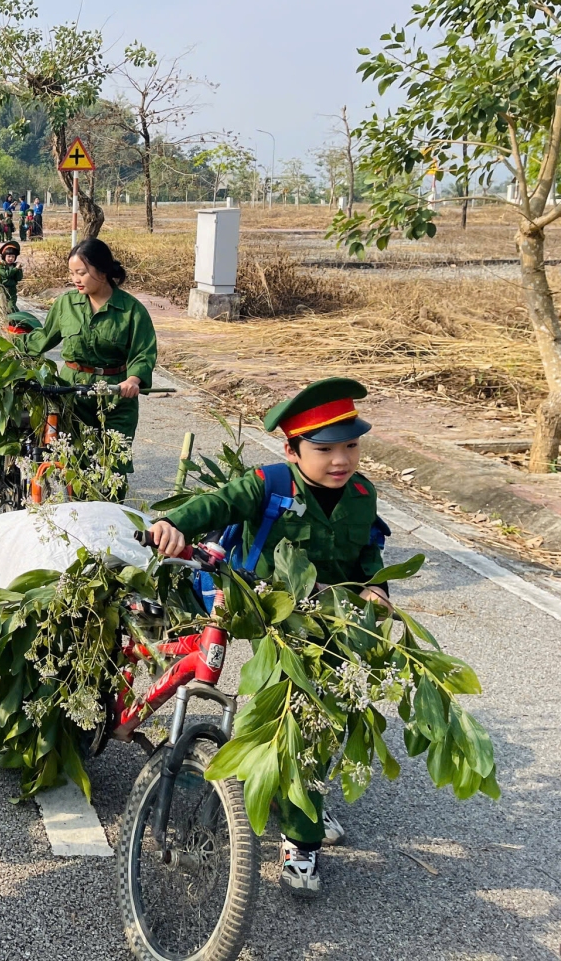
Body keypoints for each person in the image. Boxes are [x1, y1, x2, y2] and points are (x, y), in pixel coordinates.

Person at [147, 378, 388, 898]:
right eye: (324, 449)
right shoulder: (271, 483)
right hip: (264, 611)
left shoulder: (363, 496)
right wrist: (172, 524)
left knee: (328, 717)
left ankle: (294, 797)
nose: (341, 460)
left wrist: (377, 590)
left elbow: (369, 555)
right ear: (293, 449)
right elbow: (217, 504)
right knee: (302, 716)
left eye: (351, 446)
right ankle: (301, 841)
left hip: (332, 621)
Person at [18, 238, 157, 478]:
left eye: (81, 272)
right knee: (75, 464)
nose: (75, 279)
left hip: (115, 397)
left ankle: (111, 512)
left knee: (113, 468)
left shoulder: (131, 310)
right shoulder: (66, 304)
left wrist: (133, 381)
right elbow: (42, 338)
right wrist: (9, 342)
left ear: (101, 271)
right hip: (74, 396)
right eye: (72, 273)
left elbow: (143, 352)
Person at [0, 240, 24, 326]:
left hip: (12, 291)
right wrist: (15, 269)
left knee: (11, 307)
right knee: (3, 310)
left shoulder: (14, 266)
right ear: (4, 256)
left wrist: (19, 269)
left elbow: (18, 278)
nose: (11, 258)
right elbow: (6, 274)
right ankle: (4, 325)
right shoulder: (0, 266)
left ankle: (18, 322)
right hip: (1, 291)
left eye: (13, 256)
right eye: (9, 256)